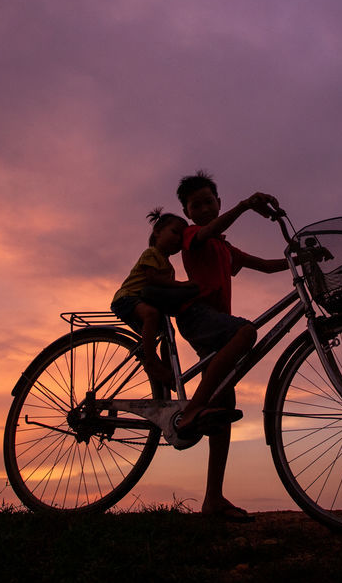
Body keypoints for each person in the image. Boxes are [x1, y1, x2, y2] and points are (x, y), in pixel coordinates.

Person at [173, 170, 289, 522]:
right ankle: (192, 408)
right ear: (189, 213)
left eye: (210, 202)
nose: (205, 208)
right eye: (197, 205)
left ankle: (213, 500)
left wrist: (301, 260)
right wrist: (244, 206)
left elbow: (266, 266)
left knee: (224, 408)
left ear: (217, 202)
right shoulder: (193, 235)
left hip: (217, 329)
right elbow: (208, 230)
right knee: (246, 332)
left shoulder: (225, 248)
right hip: (198, 317)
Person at [110, 208, 199, 390]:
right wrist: (182, 285)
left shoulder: (168, 266)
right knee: (151, 314)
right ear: (157, 232)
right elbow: (152, 278)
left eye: (181, 238)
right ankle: (151, 361)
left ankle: (167, 370)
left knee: (168, 332)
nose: (177, 239)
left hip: (143, 301)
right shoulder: (151, 253)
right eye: (174, 232)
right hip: (128, 297)